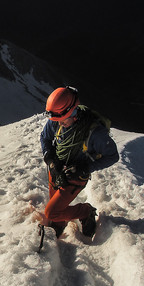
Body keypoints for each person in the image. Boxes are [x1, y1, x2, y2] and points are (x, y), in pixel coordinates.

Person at [39, 86, 119, 238]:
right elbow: (45, 137)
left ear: (73, 112)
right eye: (57, 120)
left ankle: (85, 212)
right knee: (54, 200)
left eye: (63, 120)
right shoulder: (57, 119)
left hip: (75, 175)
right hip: (57, 168)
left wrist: (86, 167)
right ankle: (59, 222)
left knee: (52, 212)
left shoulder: (95, 133)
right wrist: (50, 160)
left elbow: (113, 156)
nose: (59, 124)